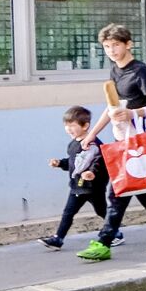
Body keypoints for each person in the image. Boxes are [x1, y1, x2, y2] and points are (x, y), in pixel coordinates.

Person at [79, 23, 146, 261]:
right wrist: (91, 134)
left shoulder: (140, 71)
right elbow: (112, 107)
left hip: (140, 140)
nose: (111, 50)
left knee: (118, 189)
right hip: (123, 138)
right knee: (144, 190)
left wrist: (133, 114)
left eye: (116, 45)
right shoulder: (115, 71)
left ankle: (104, 241)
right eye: (107, 46)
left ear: (128, 44)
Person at [39, 105, 107, 249]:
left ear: (85, 126)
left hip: (92, 187)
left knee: (102, 210)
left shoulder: (92, 144)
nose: (68, 129)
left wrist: (92, 172)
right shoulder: (73, 143)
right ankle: (58, 239)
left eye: (72, 125)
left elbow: (99, 161)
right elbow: (74, 163)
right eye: (66, 125)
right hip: (77, 186)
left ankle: (115, 232)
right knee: (68, 212)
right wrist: (60, 163)